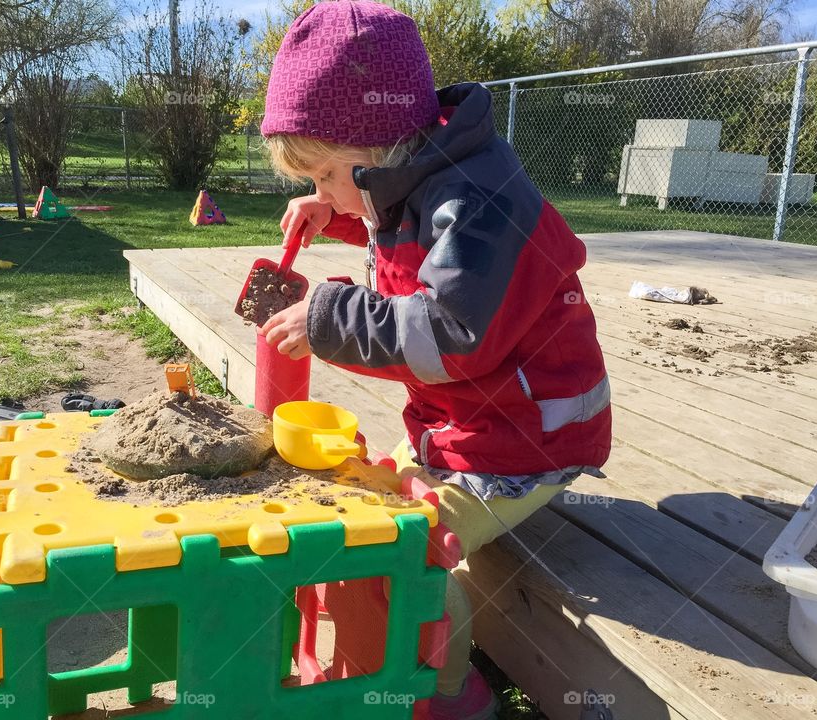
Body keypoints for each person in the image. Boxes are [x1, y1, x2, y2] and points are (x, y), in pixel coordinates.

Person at [260, 3, 611, 718]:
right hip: (462, 426)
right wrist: (342, 208)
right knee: (353, 508)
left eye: (325, 173)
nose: (320, 191)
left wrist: (331, 316)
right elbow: (399, 208)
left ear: (377, 143)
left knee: (408, 551)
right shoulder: (420, 171)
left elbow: (451, 332)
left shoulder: (480, 200)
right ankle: (370, 656)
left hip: (523, 440)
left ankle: (453, 696)